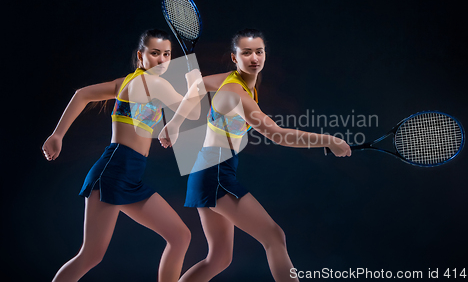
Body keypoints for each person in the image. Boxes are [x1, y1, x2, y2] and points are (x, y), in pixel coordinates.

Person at [159, 28, 351, 281]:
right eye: (246, 52)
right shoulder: (236, 94)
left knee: (219, 258)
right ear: (234, 57)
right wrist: (330, 140)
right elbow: (277, 134)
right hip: (214, 173)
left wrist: (174, 124)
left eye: (259, 52)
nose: (254, 58)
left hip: (206, 171)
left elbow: (197, 85)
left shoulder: (232, 81)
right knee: (274, 237)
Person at [42, 29, 202, 282]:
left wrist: (58, 134)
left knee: (179, 236)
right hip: (114, 172)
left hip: (128, 175)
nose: (162, 60)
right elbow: (193, 113)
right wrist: (195, 83)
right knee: (91, 255)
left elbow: (82, 95)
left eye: (167, 55)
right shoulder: (158, 84)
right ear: (141, 56)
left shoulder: (128, 82)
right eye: (155, 53)